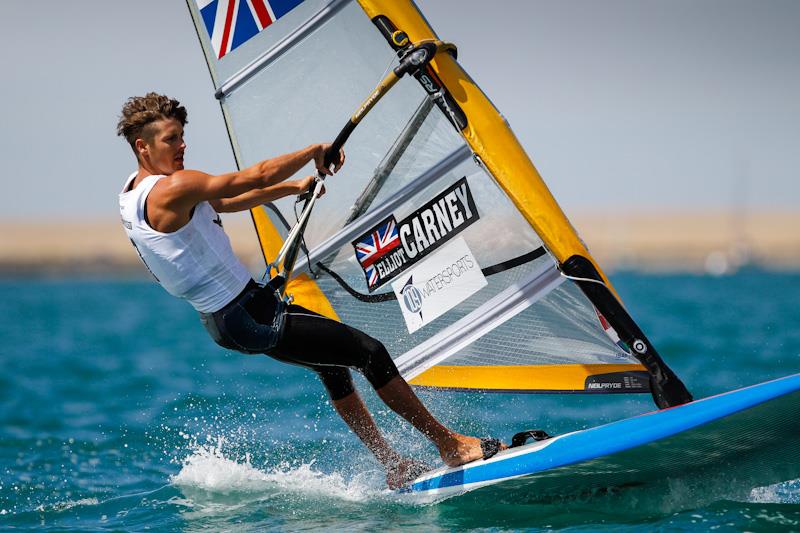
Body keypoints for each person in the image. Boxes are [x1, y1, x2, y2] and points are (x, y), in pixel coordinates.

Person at [117, 92, 502, 488]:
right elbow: (253, 176)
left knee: (333, 367)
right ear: (142, 146)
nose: (182, 146)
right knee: (371, 353)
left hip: (227, 322)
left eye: (182, 136)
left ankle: (394, 464)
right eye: (170, 139)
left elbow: (226, 200)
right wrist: (314, 151)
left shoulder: (134, 193)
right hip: (249, 315)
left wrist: (292, 188)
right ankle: (449, 444)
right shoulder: (172, 188)